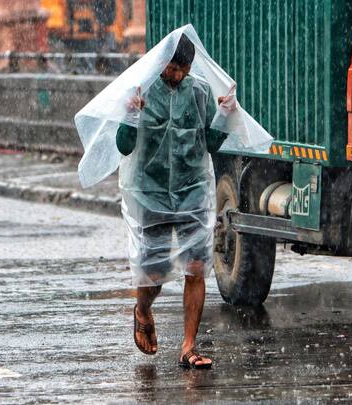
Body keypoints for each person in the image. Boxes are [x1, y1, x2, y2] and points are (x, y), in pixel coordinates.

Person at [115, 34, 236, 369]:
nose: (178, 75)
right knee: (153, 272)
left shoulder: (198, 92)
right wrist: (130, 117)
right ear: (161, 62)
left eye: (184, 69)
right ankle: (142, 310)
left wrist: (224, 116)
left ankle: (188, 347)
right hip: (150, 191)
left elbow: (211, 143)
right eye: (172, 68)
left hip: (192, 190)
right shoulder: (140, 90)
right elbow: (124, 146)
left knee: (196, 267)